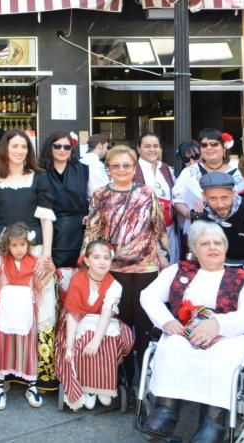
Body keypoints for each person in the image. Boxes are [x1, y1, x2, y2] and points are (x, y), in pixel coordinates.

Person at [139, 222, 244, 442]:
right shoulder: (178, 271)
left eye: (217, 243)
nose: (212, 247)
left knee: (223, 356)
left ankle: (214, 422)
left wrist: (219, 324)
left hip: (229, 335)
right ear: (194, 249)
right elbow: (148, 295)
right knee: (171, 347)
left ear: (225, 248)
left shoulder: (242, 279)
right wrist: (166, 321)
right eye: (205, 243)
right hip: (186, 332)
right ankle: (166, 411)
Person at [0, 129, 57, 392]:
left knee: (37, 305)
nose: (19, 151)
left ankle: (35, 374)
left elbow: (46, 219)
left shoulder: (39, 178)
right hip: (0, 250)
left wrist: (47, 254)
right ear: (5, 149)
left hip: (35, 250)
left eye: (24, 147)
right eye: (15, 146)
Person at [82, 144, 166, 386]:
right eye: (115, 165)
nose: (121, 170)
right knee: (119, 325)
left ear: (134, 167)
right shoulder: (100, 194)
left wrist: (163, 255)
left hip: (145, 269)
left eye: (126, 165)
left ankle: (144, 377)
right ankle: (123, 376)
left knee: (144, 325)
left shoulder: (147, 193)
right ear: (108, 168)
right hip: (112, 270)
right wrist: (87, 263)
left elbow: (158, 228)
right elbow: (93, 231)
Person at [0, 223, 55, 410]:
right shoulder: (1, 260)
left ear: (28, 244)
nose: (18, 249)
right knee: (1, 345)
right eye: (14, 245)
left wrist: (51, 271)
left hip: (26, 310)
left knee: (28, 347)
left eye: (22, 244)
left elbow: (38, 286)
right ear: (7, 245)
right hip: (5, 308)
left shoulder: (34, 261)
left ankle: (32, 386)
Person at [56, 239, 134, 411]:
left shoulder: (114, 285)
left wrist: (96, 341)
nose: (102, 262)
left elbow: (107, 314)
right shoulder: (78, 280)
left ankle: (104, 383)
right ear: (87, 261)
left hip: (103, 321)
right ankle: (85, 385)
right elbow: (73, 314)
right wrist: (69, 346)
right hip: (77, 320)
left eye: (106, 258)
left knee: (108, 339)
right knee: (82, 339)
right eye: (96, 257)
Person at [194, 171, 244, 274]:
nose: (220, 205)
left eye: (225, 198)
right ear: (204, 196)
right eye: (213, 199)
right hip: (216, 266)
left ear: (233, 193)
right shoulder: (201, 213)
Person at [38, 130, 89, 268]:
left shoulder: (84, 170)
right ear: (50, 147)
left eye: (67, 147)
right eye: (57, 146)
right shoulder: (39, 172)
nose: (62, 150)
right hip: (48, 232)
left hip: (77, 233)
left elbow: (94, 199)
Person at [172, 128, 243, 224]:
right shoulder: (188, 172)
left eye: (214, 144)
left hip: (236, 225)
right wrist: (190, 214)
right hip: (200, 228)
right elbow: (177, 199)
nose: (209, 148)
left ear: (224, 147)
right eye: (204, 145)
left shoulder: (239, 169)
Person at [135, 133, 177, 261]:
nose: (152, 150)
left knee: (170, 263)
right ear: (138, 148)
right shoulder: (132, 168)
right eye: (147, 146)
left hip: (168, 226)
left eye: (155, 146)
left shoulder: (166, 168)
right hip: (145, 228)